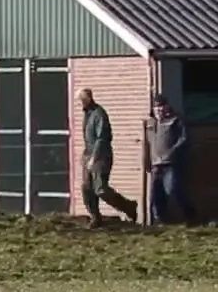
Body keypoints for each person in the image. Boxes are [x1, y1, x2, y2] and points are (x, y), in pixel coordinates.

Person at [79, 88, 139, 227]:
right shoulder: (87, 114)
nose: (81, 103)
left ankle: (128, 206)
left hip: (101, 155)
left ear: (88, 99)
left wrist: (95, 157)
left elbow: (102, 138)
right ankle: (95, 217)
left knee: (100, 189)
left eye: (82, 100)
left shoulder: (99, 114)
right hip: (88, 153)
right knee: (86, 188)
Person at [144, 93, 196, 225]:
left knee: (172, 189)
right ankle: (161, 219)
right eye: (156, 107)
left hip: (170, 163)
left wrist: (173, 151)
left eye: (161, 106)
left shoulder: (175, 121)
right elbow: (147, 143)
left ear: (166, 107)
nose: (159, 109)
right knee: (156, 194)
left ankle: (190, 214)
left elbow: (184, 139)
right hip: (156, 163)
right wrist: (146, 161)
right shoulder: (150, 123)